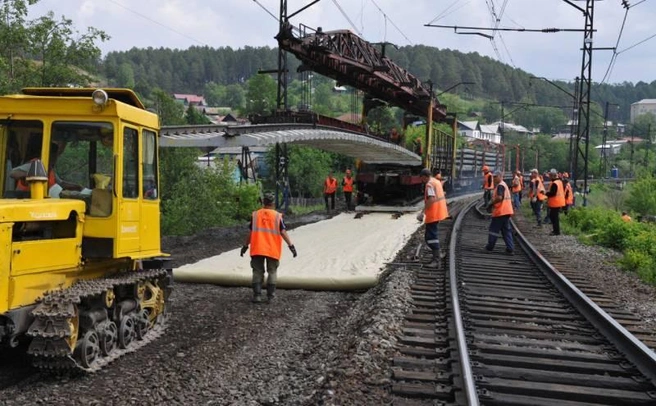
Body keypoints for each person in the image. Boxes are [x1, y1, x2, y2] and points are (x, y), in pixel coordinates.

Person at [240, 192, 297, 303]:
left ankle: (257, 296)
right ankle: (271, 297)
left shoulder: (256, 215)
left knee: (257, 271)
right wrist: (291, 246)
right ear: (273, 203)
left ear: (263, 202)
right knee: (272, 271)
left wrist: (245, 246)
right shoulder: (277, 216)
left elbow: (251, 233)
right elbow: (283, 232)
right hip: (272, 249)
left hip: (257, 248)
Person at [11, 142, 82, 197]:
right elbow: (13, 173)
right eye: (55, 155)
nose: (56, 158)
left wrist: (77, 187)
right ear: (49, 154)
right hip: (26, 198)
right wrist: (34, 175)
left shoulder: (48, 168)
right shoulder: (35, 164)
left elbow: (61, 183)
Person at [416, 168, 449, 269]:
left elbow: (431, 198)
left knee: (430, 237)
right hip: (440, 211)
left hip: (433, 213)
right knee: (432, 235)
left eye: (421, 178)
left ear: (425, 176)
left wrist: (422, 212)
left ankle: (436, 260)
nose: (421, 181)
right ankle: (438, 254)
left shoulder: (429, 184)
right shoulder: (436, 181)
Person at [485, 171, 514, 255]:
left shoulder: (500, 186)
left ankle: (490, 247)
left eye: (495, 177)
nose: (494, 178)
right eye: (493, 177)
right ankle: (510, 248)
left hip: (500, 212)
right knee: (506, 230)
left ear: (500, 176)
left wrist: (491, 203)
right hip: (506, 211)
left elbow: (499, 197)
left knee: (493, 230)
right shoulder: (503, 184)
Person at [545, 168, 565, 236]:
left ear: (553, 175)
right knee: (553, 216)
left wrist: (546, 193)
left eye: (550, 175)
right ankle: (556, 230)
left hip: (555, 203)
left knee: (554, 217)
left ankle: (556, 231)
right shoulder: (559, 182)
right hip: (558, 202)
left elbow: (553, 193)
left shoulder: (555, 183)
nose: (549, 177)